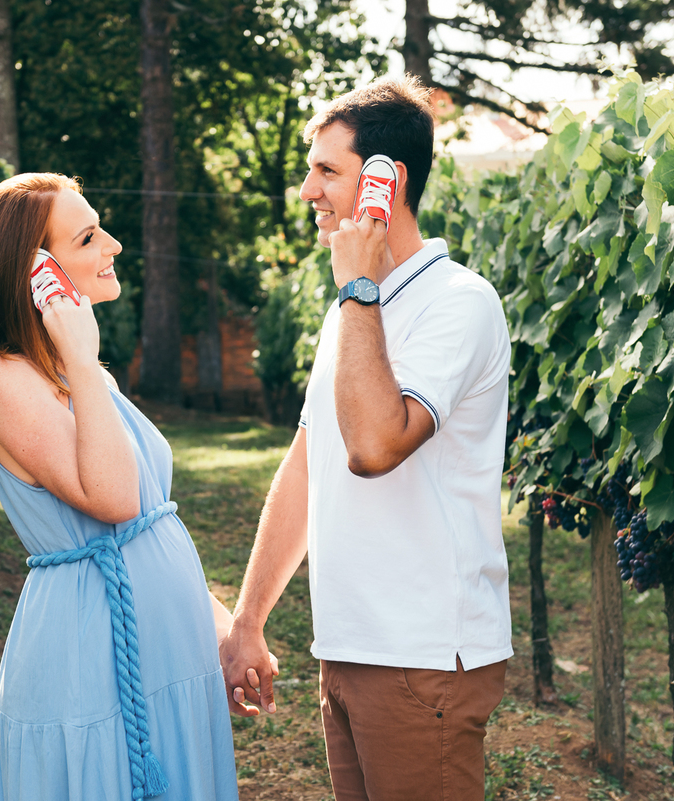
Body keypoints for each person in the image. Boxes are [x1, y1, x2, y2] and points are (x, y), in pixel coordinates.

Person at [219, 75, 513, 801]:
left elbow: (375, 446)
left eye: (326, 170)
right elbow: (308, 467)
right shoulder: (351, 314)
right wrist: (247, 621)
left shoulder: (459, 303)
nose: (306, 189)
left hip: (422, 657)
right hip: (349, 648)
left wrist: (358, 289)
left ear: (386, 180)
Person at [0, 173, 252, 801]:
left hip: (165, 648)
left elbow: (147, 522)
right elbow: (114, 500)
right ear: (35, 274)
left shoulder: (77, 376)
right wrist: (82, 355)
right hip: (94, 658)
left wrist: (222, 626)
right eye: (88, 237)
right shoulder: (1, 378)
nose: (113, 245)